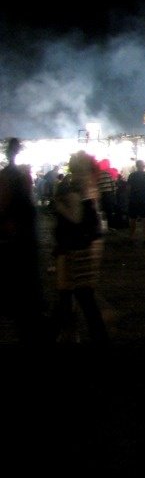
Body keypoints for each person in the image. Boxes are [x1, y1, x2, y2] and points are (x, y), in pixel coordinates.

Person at [51, 151, 109, 346]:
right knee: (80, 295)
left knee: (74, 294)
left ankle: (69, 334)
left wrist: (60, 205)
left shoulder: (78, 185)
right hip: (83, 247)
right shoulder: (90, 184)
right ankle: (86, 335)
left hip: (75, 247)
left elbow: (75, 217)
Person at [0, 137, 49, 346]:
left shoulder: (8, 177)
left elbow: (4, 208)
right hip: (25, 246)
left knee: (21, 302)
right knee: (27, 303)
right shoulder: (20, 177)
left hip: (16, 247)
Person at [126, 159, 145, 245]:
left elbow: (128, 188)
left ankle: (131, 237)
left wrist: (129, 196)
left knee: (132, 219)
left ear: (136, 165)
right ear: (143, 165)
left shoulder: (132, 175)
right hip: (144, 199)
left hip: (134, 199)